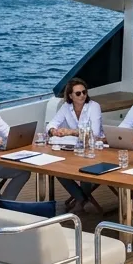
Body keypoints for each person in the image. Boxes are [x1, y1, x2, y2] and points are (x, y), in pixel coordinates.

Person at [48, 77, 105, 214]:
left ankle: (80, 200)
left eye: (84, 92)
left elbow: (94, 133)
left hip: (94, 148)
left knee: (85, 169)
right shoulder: (66, 107)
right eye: (78, 93)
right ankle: (82, 199)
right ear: (70, 96)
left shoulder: (94, 107)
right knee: (57, 169)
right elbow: (51, 124)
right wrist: (53, 131)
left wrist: (71, 131)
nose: (82, 95)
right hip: (75, 148)